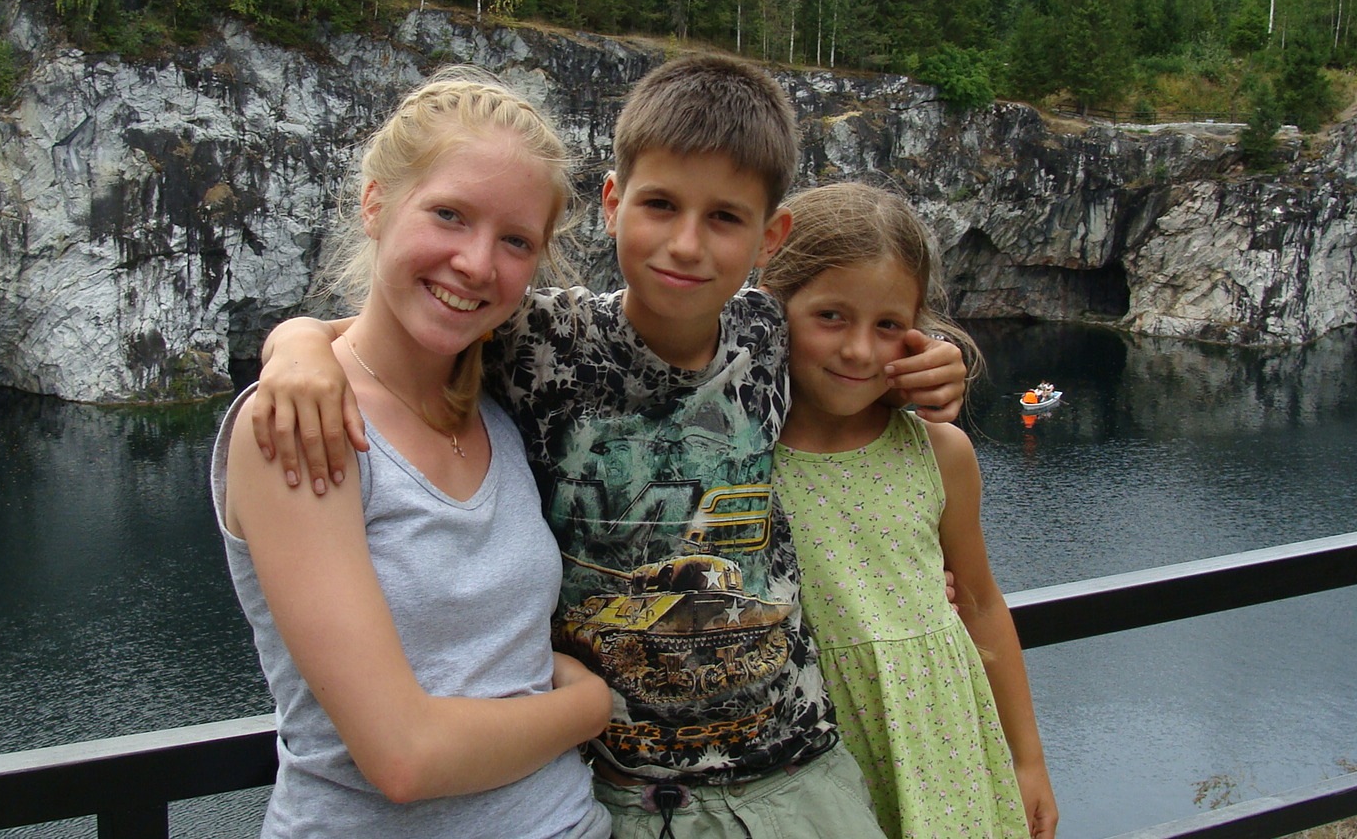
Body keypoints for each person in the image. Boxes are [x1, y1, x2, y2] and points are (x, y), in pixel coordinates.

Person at [252, 53, 970, 838]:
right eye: (660, 205)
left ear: (770, 238)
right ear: (613, 205)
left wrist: (937, 364)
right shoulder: (539, 340)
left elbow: (857, 352)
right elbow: (411, 326)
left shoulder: (769, 334)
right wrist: (297, 343)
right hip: (626, 791)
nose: (687, 245)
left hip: (794, 772)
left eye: (724, 218)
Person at [212, 71, 612, 838]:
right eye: (449, 215)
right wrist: (588, 707)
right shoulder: (302, 421)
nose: (476, 263)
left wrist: (300, 335)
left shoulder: (501, 403)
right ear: (375, 204)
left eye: (516, 241)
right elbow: (404, 759)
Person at [760, 182, 1057, 839]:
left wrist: (1027, 760)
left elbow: (980, 603)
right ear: (772, 304)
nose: (860, 350)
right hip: (813, 755)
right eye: (830, 316)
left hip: (941, 744)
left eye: (888, 326)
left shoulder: (940, 453)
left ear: (918, 330)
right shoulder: (742, 454)